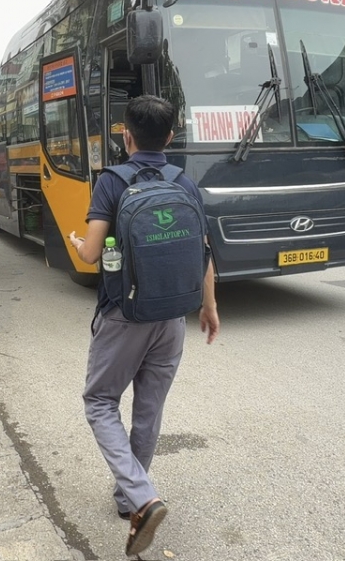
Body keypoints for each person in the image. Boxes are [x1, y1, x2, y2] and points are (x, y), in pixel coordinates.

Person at [66, 95, 220, 557]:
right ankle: (127, 498)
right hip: (173, 315)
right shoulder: (184, 184)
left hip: (124, 315)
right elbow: (204, 253)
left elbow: (92, 255)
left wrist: (75, 241)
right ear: (170, 137)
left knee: (99, 401)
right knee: (148, 410)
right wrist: (208, 307)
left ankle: (143, 496)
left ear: (125, 135)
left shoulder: (112, 182)